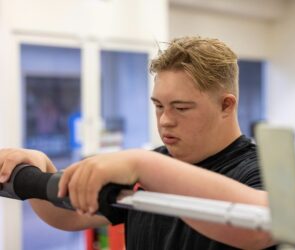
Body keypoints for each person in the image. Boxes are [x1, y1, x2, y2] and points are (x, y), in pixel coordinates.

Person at [0, 36, 275, 249]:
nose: (165, 120)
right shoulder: (151, 165)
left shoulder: (259, 170)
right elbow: (69, 217)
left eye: (181, 108)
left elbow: (261, 228)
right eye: (158, 106)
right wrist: (39, 166)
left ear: (226, 105)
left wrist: (143, 164)